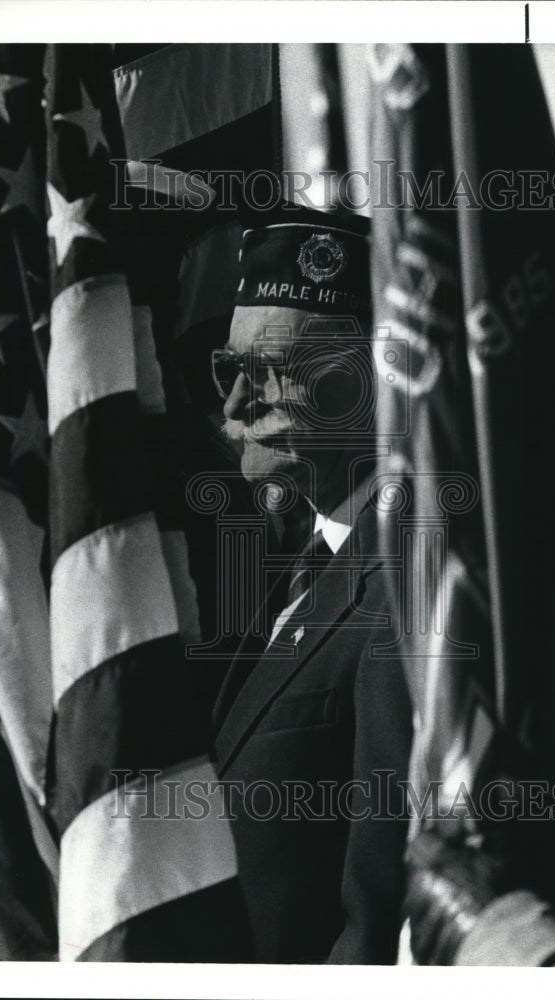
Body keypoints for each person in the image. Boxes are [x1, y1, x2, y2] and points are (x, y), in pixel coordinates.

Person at [210, 200, 413, 964]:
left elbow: (376, 919)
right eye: (229, 369)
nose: (234, 405)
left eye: (269, 373)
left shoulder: (405, 584)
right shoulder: (293, 552)